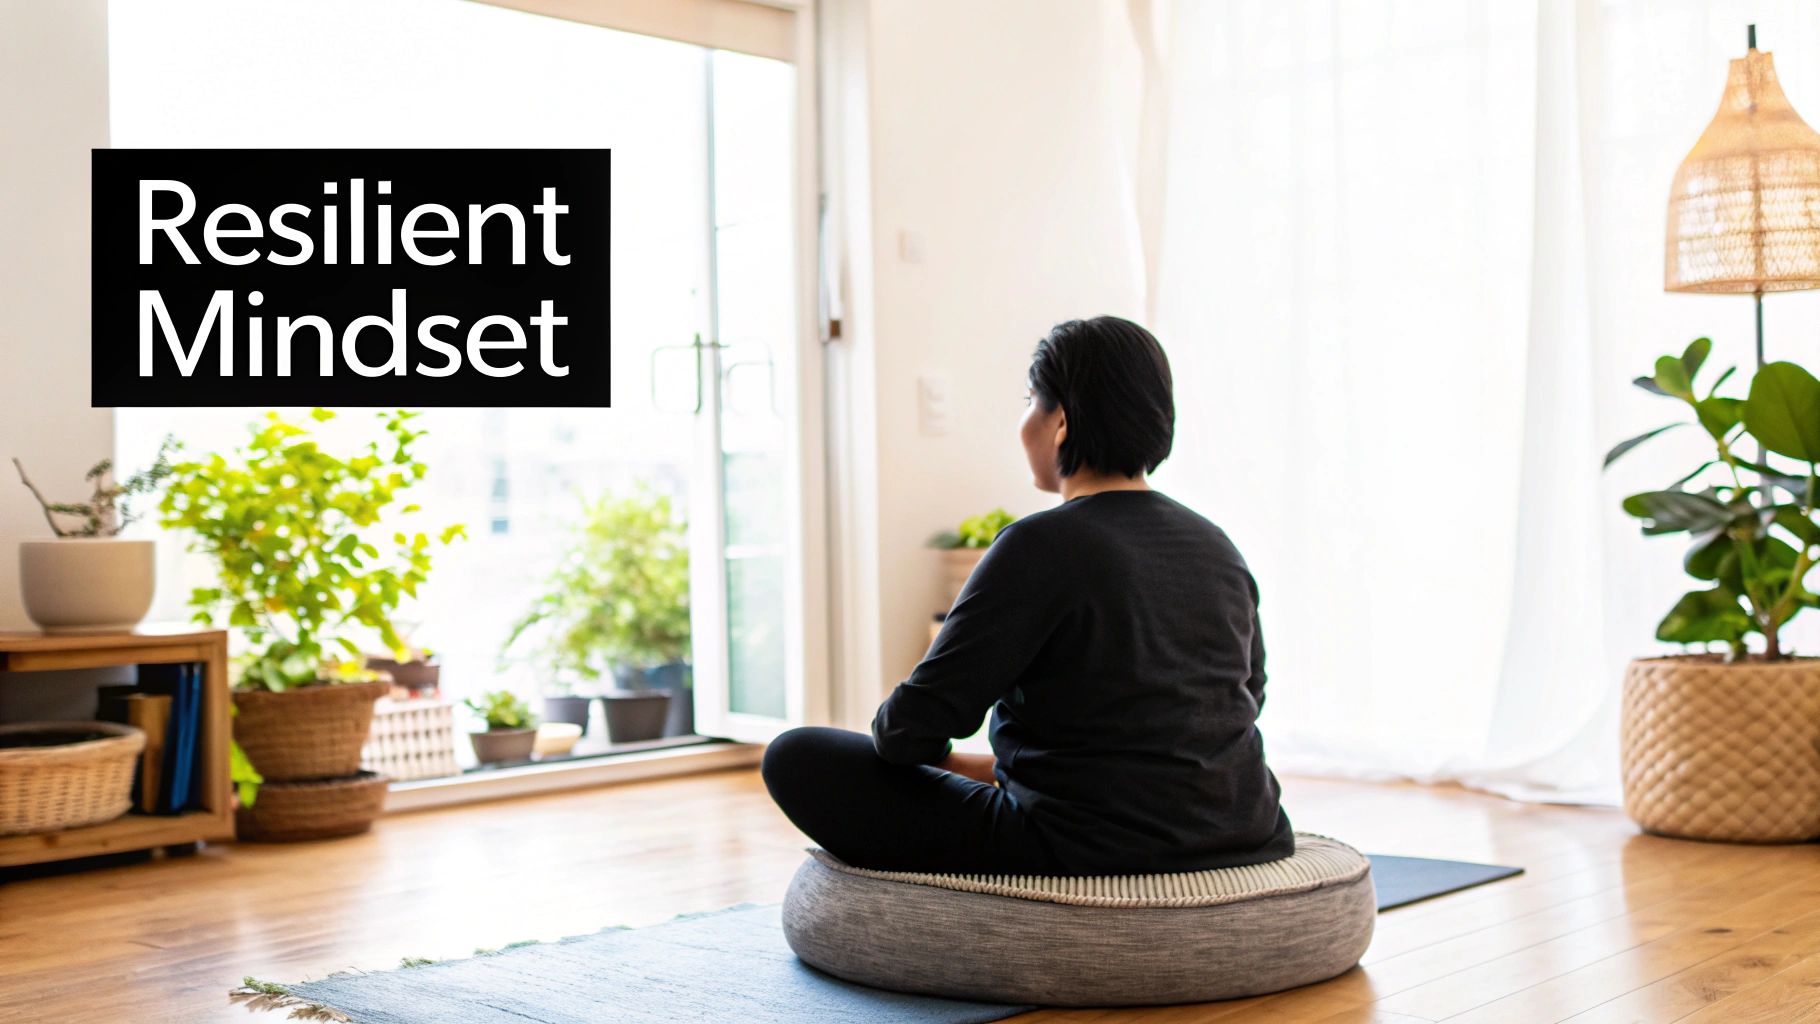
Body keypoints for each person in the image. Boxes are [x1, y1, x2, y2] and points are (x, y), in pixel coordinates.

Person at [762, 316, 1293, 876]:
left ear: (1060, 421)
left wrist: (963, 765)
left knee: (796, 757)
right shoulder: (1216, 544)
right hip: (1246, 831)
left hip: (1082, 845)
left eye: (1027, 401)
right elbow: (1245, 697)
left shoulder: (1039, 544)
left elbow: (904, 732)